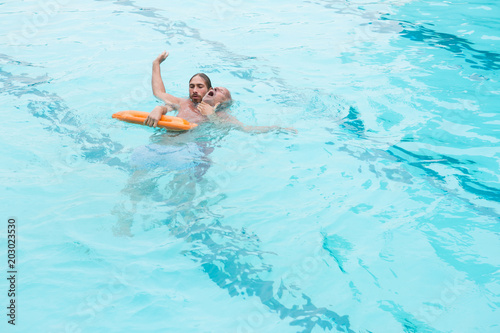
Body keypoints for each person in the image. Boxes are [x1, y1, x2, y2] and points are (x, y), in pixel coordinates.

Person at [144, 51, 295, 133]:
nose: (194, 90)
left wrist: (279, 128)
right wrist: (156, 64)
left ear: (210, 91)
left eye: (199, 86)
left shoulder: (220, 115)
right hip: (164, 141)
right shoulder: (183, 102)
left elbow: (246, 129)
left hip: (191, 150)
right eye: (191, 86)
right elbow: (159, 93)